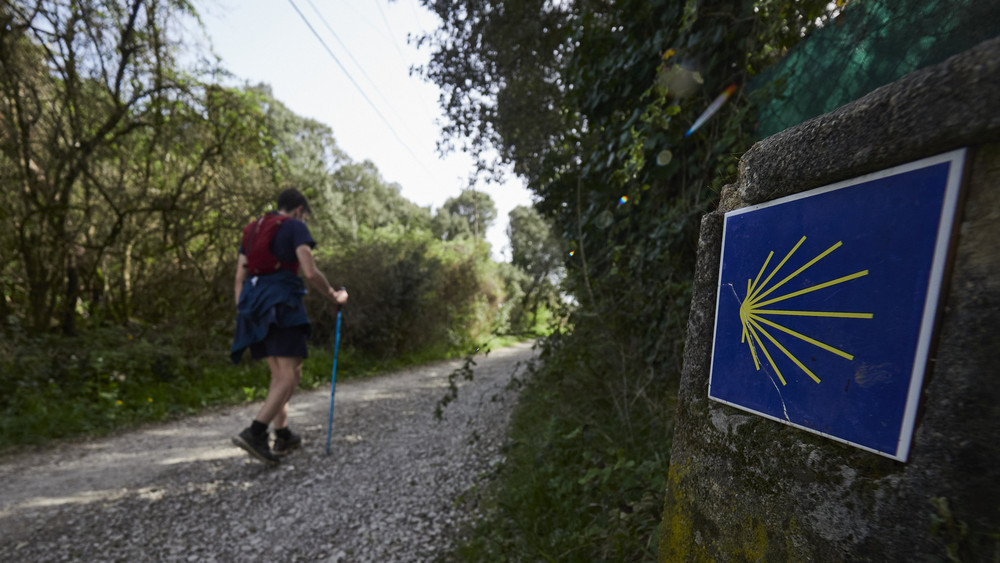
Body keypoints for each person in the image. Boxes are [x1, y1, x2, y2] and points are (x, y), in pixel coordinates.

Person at [229, 188, 348, 466]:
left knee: (279, 374)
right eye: (305, 217)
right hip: (283, 304)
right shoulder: (294, 227)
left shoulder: (251, 230)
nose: (304, 222)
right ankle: (256, 432)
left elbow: (240, 276)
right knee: (289, 375)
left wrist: (244, 310)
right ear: (299, 211)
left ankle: (282, 435)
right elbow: (309, 271)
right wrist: (334, 295)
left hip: (254, 305)